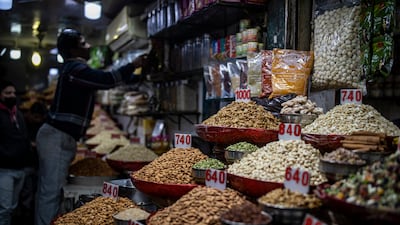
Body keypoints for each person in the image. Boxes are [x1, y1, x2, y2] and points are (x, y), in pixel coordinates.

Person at [34, 28, 146, 225]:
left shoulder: (76, 70)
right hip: (57, 136)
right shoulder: (74, 69)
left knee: (51, 190)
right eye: (84, 43)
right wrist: (132, 65)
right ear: (73, 50)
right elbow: (105, 80)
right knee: (50, 192)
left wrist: (139, 75)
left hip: (60, 136)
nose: (89, 46)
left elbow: (105, 80)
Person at [0, 80, 36, 225]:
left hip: (20, 168)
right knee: (5, 208)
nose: (12, 96)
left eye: (13, 93)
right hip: (4, 169)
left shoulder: (18, 114)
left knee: (13, 207)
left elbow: (23, 136)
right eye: (7, 93)